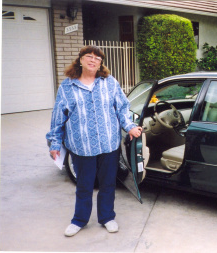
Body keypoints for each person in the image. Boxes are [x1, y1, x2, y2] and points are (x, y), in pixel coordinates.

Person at [46, 45, 142, 237]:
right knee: (84, 185)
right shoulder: (67, 86)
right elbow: (58, 116)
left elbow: (122, 107)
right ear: (80, 60)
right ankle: (79, 220)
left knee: (107, 184)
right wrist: (55, 143)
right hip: (82, 146)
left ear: (101, 64)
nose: (93, 60)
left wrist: (129, 125)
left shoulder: (110, 82)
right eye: (88, 56)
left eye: (97, 58)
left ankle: (107, 217)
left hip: (108, 144)